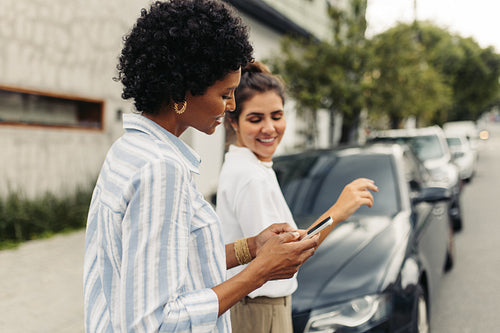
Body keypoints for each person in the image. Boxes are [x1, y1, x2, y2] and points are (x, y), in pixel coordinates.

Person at [82, 1, 320, 332]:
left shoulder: (130, 150)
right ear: (182, 90)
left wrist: (251, 248)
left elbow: (171, 264)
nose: (232, 105)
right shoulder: (160, 170)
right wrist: (260, 272)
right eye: (225, 94)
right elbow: (153, 323)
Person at [217, 61, 379, 332]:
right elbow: (288, 256)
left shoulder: (249, 165)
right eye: (255, 119)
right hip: (260, 313)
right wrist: (338, 211)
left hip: (258, 308)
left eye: (277, 116)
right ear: (233, 121)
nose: (269, 128)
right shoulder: (250, 176)